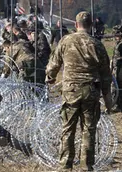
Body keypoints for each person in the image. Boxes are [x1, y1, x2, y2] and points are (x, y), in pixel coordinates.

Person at [45, 11, 112, 171]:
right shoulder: (97, 44)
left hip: (71, 90)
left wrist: (50, 77)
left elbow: (54, 64)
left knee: (68, 128)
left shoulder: (66, 41)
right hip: (91, 90)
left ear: (76, 25)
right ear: (91, 25)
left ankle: (65, 165)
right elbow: (106, 75)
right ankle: (86, 166)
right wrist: (108, 101)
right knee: (88, 129)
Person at [111, 25, 122, 112]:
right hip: (116, 67)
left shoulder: (120, 45)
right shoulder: (118, 44)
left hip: (120, 68)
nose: (115, 37)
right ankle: (117, 103)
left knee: (118, 86)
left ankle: (118, 105)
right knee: (116, 85)